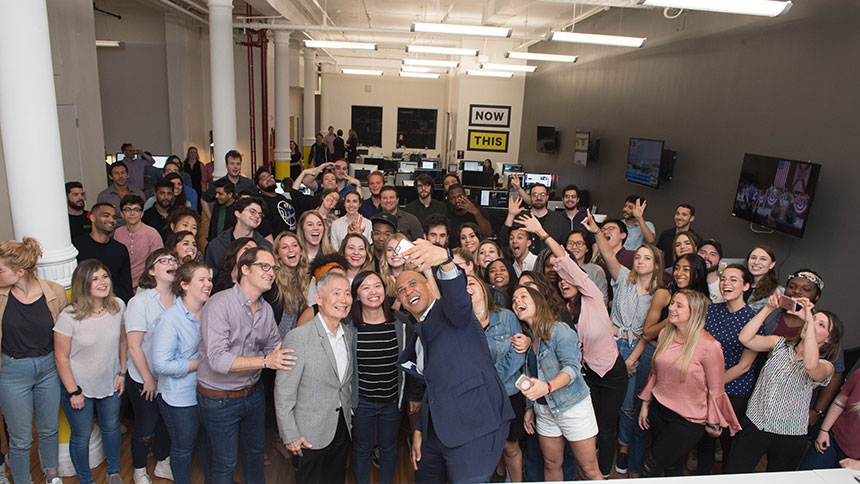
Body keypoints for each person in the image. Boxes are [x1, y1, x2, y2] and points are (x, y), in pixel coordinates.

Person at [395, 240, 513, 484]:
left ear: (429, 286)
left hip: (476, 428)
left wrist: (446, 261)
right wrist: (420, 428)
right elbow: (436, 384)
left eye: (413, 283)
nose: (408, 292)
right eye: (401, 290)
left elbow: (457, 294)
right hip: (437, 432)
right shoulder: (419, 331)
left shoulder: (451, 311)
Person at [527, 221, 626, 479]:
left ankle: (603, 474)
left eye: (567, 279)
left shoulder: (592, 297)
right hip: (582, 377)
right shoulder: (561, 314)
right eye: (559, 281)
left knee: (605, 430)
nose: (563, 283)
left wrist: (543, 234)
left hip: (610, 372)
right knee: (580, 444)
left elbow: (566, 264)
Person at [197, 246, 296, 484]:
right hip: (219, 398)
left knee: (254, 456)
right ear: (244, 269)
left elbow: (274, 346)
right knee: (225, 463)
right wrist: (265, 361)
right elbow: (218, 360)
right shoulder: (219, 304)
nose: (271, 272)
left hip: (253, 395)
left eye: (273, 268)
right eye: (264, 266)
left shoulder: (266, 309)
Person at [583, 209, 662, 476]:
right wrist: (596, 231)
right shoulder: (623, 278)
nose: (640, 261)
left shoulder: (659, 293)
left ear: (656, 264)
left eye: (646, 257)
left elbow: (648, 333)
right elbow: (607, 254)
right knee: (599, 398)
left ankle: (624, 449)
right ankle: (594, 444)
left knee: (628, 407)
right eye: (638, 256)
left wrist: (631, 359)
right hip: (611, 343)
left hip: (636, 349)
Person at [726, 294, 843, 473]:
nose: (811, 323)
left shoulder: (827, 367)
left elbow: (810, 366)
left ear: (829, 339)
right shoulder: (779, 343)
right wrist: (768, 308)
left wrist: (810, 322)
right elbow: (745, 338)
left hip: (790, 436)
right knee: (734, 475)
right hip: (756, 424)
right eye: (813, 319)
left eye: (821, 324)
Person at [638, 290, 741, 476]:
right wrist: (646, 404)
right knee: (671, 465)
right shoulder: (664, 334)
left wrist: (713, 423)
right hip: (660, 411)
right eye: (672, 303)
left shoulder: (709, 346)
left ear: (694, 312)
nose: (671, 308)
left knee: (650, 466)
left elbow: (716, 389)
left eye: (679, 305)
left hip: (687, 420)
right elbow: (656, 373)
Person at [513, 284, 602, 480]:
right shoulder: (531, 340)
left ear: (538, 302)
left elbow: (572, 368)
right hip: (544, 412)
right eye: (514, 299)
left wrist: (548, 387)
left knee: (588, 469)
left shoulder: (559, 330)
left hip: (573, 407)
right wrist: (530, 408)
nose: (517, 301)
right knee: (551, 464)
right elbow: (531, 376)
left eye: (523, 296)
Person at [275, 270, 353, 484]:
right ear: (318, 298)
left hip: (341, 428)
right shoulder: (298, 338)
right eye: (336, 293)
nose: (343, 300)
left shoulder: (348, 334)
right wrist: (289, 434)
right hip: (309, 434)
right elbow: (284, 391)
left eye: (347, 294)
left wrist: (349, 414)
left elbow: (345, 383)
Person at [0, 238, 68, 484]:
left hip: (49, 368)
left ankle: (52, 474)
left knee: (49, 429)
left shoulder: (54, 292)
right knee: (20, 438)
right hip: (12, 371)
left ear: (20, 272)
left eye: (1, 270)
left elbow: (65, 332)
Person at [53, 260, 127, 484]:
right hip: (79, 388)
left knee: (111, 428)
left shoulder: (118, 306)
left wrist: (122, 373)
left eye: (104, 276)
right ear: (83, 283)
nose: (102, 282)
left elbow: (123, 340)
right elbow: (61, 357)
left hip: (110, 383)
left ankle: (114, 472)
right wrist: (73, 392)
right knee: (81, 436)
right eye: (95, 278)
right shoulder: (68, 316)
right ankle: (86, 480)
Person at [348, 271, 415, 484]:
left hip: (391, 401)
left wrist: (413, 394)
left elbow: (412, 360)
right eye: (365, 287)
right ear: (357, 295)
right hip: (362, 403)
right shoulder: (349, 326)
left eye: (377, 286)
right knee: (362, 449)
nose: (373, 292)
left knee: (388, 448)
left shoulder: (402, 323)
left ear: (385, 291)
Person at [151, 260, 213, 484]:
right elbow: (162, 364)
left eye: (209, 280)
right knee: (184, 447)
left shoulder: (210, 312)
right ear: (184, 285)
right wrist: (201, 362)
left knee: (207, 442)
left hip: (207, 392)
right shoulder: (170, 320)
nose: (208, 284)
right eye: (202, 280)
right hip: (179, 397)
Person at [695, 263, 760, 474]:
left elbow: (744, 366)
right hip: (704, 383)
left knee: (728, 443)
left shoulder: (752, 319)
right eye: (723, 279)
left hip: (733, 390)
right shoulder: (711, 310)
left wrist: (713, 384)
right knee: (704, 438)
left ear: (746, 286)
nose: (726, 283)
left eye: (733, 279)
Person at [467, 275, 527, 482]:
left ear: (483, 289)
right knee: (489, 446)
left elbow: (518, 353)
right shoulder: (460, 325)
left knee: (510, 447)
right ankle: (499, 477)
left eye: (471, 282)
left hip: (508, 393)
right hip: (478, 397)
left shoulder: (507, 317)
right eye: (462, 286)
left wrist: (491, 379)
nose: (467, 287)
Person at [125, 249, 176, 483]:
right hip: (143, 376)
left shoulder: (181, 299)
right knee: (146, 427)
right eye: (163, 260)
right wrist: (148, 378)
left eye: (173, 260)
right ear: (151, 271)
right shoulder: (139, 302)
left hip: (171, 376)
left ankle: (162, 463)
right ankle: (138, 469)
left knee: (168, 423)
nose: (171, 263)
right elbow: (134, 346)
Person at [73, 202, 134, 302]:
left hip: (115, 305)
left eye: (114, 217)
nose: (111, 220)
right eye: (106, 216)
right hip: (86, 304)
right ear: (92, 218)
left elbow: (126, 285)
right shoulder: (77, 246)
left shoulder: (120, 249)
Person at [800, 369, 860, 470]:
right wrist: (824, 431)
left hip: (856, 458)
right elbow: (840, 401)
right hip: (833, 439)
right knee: (804, 477)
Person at [204, 196, 272, 273]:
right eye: (252, 211)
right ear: (238, 213)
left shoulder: (265, 247)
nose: (257, 216)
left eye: (260, 214)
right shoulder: (216, 245)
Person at [114, 194, 164, 287]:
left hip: (146, 284)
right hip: (122, 283)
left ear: (142, 213)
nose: (132, 213)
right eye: (127, 209)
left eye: (136, 210)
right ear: (121, 213)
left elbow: (158, 264)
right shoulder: (117, 233)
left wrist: (137, 283)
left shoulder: (152, 234)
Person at [503, 182, 567, 254]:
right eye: (535, 194)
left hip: (551, 263)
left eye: (542, 194)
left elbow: (566, 246)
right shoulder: (521, 218)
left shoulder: (559, 220)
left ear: (547, 197)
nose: (539, 198)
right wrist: (511, 215)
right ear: (530, 197)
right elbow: (504, 241)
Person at [201, 150, 256, 220]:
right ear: (226, 165)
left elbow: (256, 200)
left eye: (238, 164)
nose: (235, 167)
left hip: (244, 221)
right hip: (224, 222)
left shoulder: (248, 183)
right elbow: (203, 199)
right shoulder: (218, 184)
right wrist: (211, 219)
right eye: (232, 164)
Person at [563, 230, 608, 306]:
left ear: (587, 248)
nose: (574, 247)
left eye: (579, 244)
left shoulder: (596, 271)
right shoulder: (560, 268)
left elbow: (603, 300)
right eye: (570, 243)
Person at [254, 166, 297, 239]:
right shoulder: (260, 202)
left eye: (270, 176)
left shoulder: (281, 197)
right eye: (263, 178)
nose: (268, 179)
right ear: (258, 186)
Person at [746, 245, 780, 313]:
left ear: (772, 265)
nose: (756, 262)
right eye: (753, 258)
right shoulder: (740, 285)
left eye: (763, 259)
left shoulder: (777, 291)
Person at [699, 238, 724, 303]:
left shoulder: (724, 285)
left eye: (713, 254)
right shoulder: (687, 282)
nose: (707, 256)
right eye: (703, 252)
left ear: (720, 261)